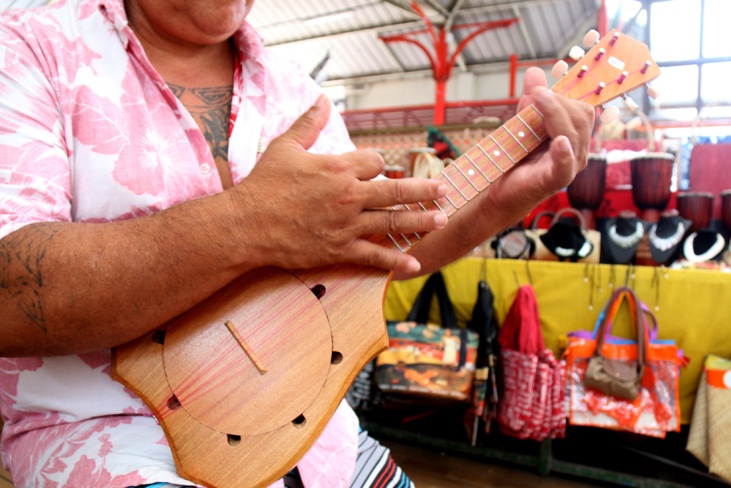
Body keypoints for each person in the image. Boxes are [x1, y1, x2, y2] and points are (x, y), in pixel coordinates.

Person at [0, 0, 594, 486]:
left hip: (316, 437)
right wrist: (248, 223)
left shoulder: (296, 92)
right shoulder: (30, 45)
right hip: (105, 438)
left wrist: (500, 203)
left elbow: (372, 256)